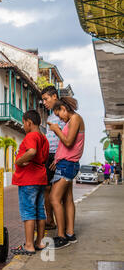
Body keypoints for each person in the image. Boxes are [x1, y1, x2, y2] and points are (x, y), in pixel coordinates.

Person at [47, 97, 85, 249]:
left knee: (53, 199)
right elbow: (68, 143)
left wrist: (57, 129)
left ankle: (61, 236)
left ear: (64, 108)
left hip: (67, 164)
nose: (60, 118)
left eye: (59, 114)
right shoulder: (72, 121)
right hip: (65, 163)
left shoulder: (75, 118)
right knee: (67, 199)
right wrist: (56, 159)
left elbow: (68, 142)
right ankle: (70, 233)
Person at [11, 110, 49, 255]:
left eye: (23, 123)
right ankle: (39, 242)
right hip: (40, 178)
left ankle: (28, 245)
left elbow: (32, 151)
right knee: (40, 211)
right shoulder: (43, 138)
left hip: (29, 180)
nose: (23, 126)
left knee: (28, 212)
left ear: (29, 122)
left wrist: (19, 161)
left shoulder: (31, 135)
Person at [41, 86, 66, 230]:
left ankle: (64, 227)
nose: (44, 102)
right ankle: (50, 220)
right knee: (46, 189)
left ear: (54, 96)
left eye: (46, 99)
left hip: (59, 156)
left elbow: (66, 137)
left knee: (59, 195)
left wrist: (59, 157)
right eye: (43, 99)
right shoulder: (51, 116)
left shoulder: (63, 113)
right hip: (49, 156)